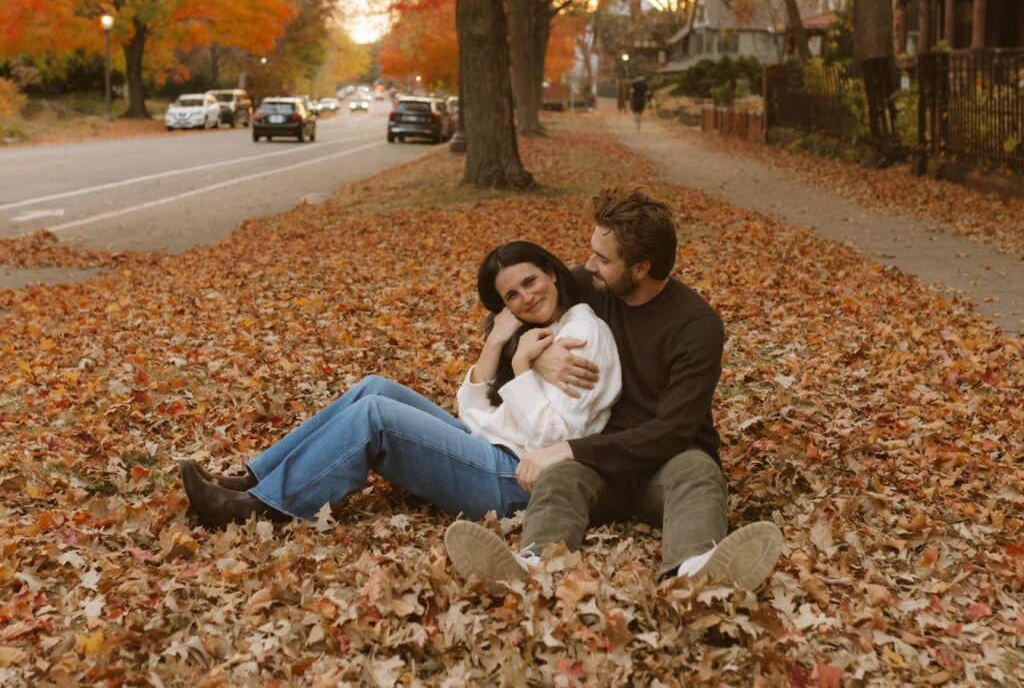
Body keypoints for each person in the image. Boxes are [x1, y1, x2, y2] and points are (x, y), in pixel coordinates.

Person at [445, 189, 783, 591]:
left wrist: (570, 447)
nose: (588, 265)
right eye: (591, 253)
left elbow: (674, 429)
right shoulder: (593, 283)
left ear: (640, 267)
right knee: (559, 478)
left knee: (698, 470)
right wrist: (537, 352)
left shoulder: (696, 325)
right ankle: (533, 566)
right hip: (601, 466)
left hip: (664, 463)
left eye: (602, 259)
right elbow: (512, 311)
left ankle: (694, 571)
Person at [178, 242, 622, 530]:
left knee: (376, 418)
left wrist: (523, 366)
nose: (525, 298)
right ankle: (253, 478)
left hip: (514, 480)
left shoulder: (582, 336)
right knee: (375, 388)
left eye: (530, 281)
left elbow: (554, 440)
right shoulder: (539, 330)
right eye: (511, 296)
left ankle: (264, 507)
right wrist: (498, 340)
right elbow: (471, 411)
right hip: (490, 446)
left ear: (553, 272)